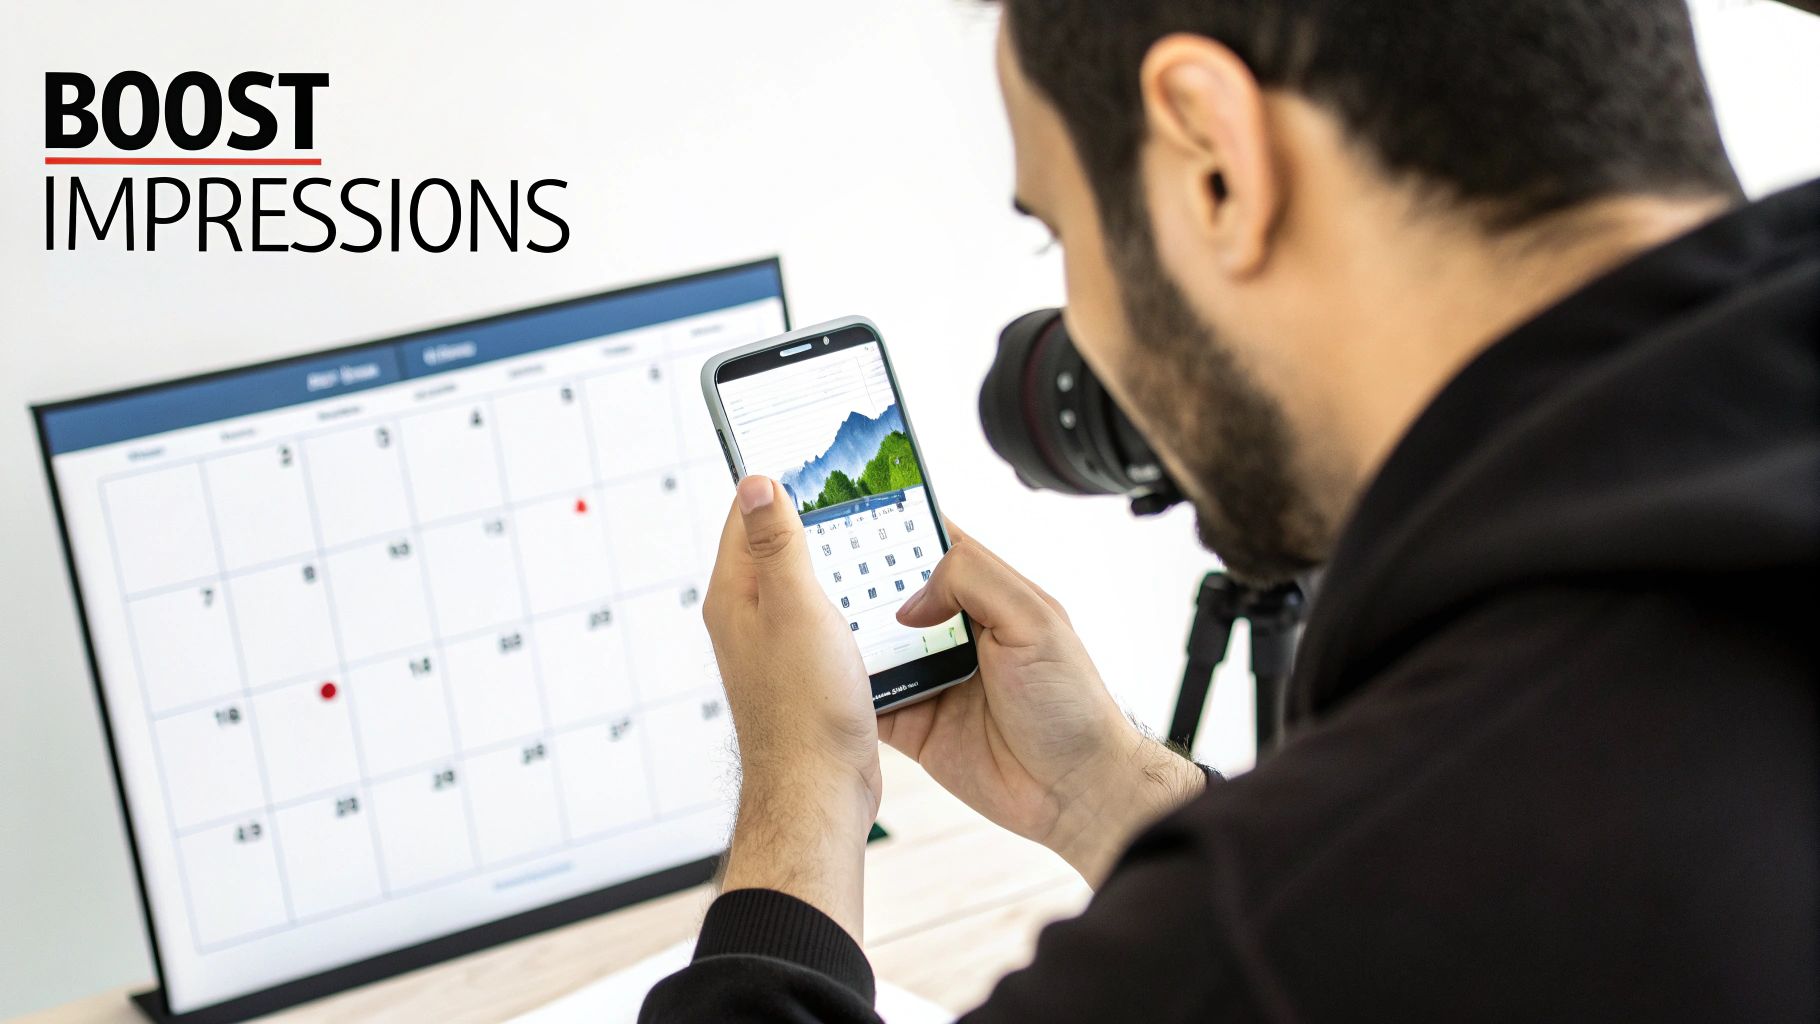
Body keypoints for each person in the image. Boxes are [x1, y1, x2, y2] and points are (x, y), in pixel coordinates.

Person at [642, 1, 1819, 1019]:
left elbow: (1344, 906)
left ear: (1212, 156)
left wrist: (804, 785)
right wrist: (1103, 791)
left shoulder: (1318, 914)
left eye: (1059, 230)